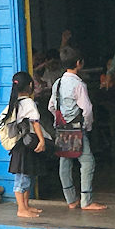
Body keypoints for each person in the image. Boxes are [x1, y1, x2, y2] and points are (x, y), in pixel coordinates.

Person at [48, 50, 107, 211]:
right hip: (76, 129)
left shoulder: (57, 83)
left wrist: (59, 120)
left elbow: (51, 106)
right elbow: (87, 109)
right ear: (79, 63)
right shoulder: (79, 84)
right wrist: (88, 125)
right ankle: (86, 200)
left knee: (64, 162)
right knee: (87, 162)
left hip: (61, 127)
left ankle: (70, 199)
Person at [3, 72, 49, 218]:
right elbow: (35, 123)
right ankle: (21, 208)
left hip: (20, 145)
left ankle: (26, 205)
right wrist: (42, 141)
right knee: (22, 178)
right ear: (30, 85)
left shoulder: (14, 102)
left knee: (27, 175)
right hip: (24, 146)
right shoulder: (28, 102)